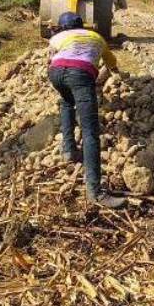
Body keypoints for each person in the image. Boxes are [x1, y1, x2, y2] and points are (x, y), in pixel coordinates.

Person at [47, 12, 127, 208]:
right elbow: (112, 63)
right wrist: (114, 75)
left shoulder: (57, 37)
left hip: (56, 73)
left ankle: (68, 150)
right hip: (80, 75)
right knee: (90, 131)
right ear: (82, 26)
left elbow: (52, 58)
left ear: (64, 27)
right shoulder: (97, 37)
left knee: (66, 101)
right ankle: (95, 192)